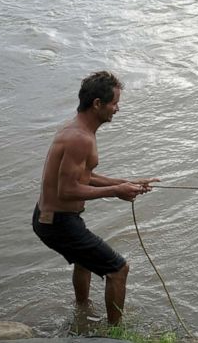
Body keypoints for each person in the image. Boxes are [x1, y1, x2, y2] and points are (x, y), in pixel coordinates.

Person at [32, 71, 158, 326]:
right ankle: (115, 334)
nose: (117, 109)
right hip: (57, 223)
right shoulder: (79, 138)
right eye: (114, 103)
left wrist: (125, 183)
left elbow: (83, 176)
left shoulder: (77, 130)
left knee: (84, 261)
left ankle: (82, 312)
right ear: (98, 104)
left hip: (52, 218)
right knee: (118, 269)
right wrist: (116, 192)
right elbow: (66, 190)